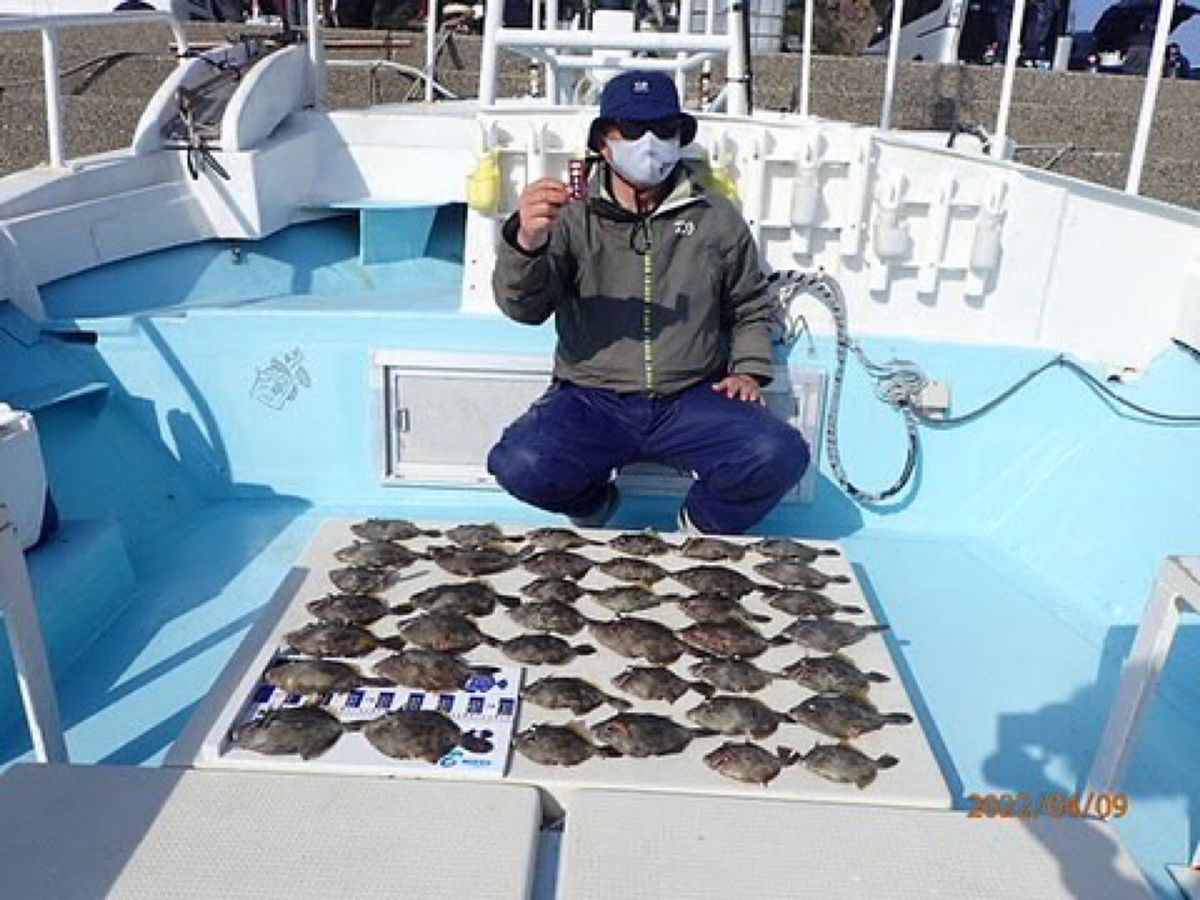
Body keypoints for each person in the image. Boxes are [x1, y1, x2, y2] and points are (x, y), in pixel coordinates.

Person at [487, 70, 810, 535]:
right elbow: (524, 308)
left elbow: (749, 304)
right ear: (603, 141)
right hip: (591, 397)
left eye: (665, 129)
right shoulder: (571, 216)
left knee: (779, 453)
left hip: (693, 396)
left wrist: (748, 370)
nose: (651, 142)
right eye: (633, 130)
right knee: (520, 462)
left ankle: (701, 525)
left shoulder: (716, 217)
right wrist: (527, 242)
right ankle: (595, 505)